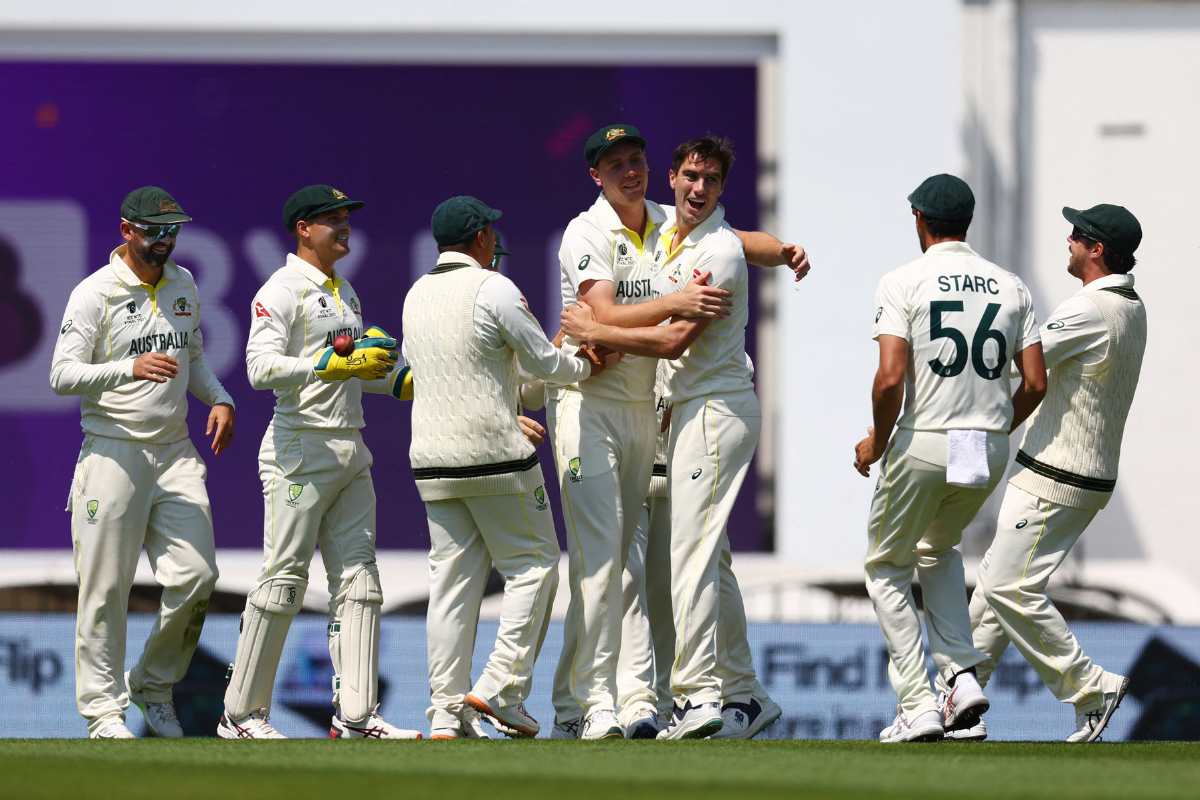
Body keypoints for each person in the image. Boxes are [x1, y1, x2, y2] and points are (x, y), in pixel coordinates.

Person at [550, 124, 808, 740]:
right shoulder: (640, 227)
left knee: (681, 557)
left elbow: (670, 331)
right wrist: (783, 252)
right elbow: (747, 244)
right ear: (599, 175)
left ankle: (691, 697)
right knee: (675, 559)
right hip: (636, 411)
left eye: (636, 159)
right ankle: (728, 696)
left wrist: (592, 329)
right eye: (618, 164)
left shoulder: (705, 243)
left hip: (705, 407)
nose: (630, 171)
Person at [402, 196, 608, 740]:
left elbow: (482, 373)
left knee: (451, 586)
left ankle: (446, 715)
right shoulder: (494, 287)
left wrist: (543, 374)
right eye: (491, 231)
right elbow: (543, 363)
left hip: (432, 464)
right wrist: (583, 364)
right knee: (536, 568)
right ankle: (500, 689)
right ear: (482, 239)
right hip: (496, 458)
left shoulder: (416, 293)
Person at [852, 174, 1047, 743]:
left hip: (924, 439)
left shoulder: (902, 281)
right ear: (968, 220)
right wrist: (989, 432)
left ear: (918, 218)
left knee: (886, 567)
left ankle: (917, 706)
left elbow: (889, 380)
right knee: (938, 549)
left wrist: (879, 443)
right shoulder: (1010, 285)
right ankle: (960, 680)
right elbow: (1033, 382)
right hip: (982, 445)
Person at [220, 185, 418, 739]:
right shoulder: (281, 289)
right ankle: (240, 715)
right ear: (303, 228)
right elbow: (260, 367)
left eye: (346, 217)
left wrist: (398, 380)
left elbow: (351, 367)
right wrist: (330, 366)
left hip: (350, 445)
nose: (344, 226)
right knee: (283, 582)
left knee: (360, 583)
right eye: (332, 219)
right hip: (299, 449)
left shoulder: (344, 292)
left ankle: (357, 717)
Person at [50, 186, 235, 739]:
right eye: (155, 231)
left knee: (199, 576)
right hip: (113, 452)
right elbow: (62, 375)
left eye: (172, 230)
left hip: (174, 451)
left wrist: (219, 397)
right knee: (106, 588)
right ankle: (104, 712)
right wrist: (126, 369)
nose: (165, 240)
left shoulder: (183, 282)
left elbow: (192, 354)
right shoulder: (94, 294)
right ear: (127, 230)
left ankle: (152, 683)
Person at [961, 204, 1145, 743]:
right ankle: (960, 706)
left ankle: (1091, 690)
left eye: (1079, 235)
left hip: (1056, 474)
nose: (1068, 239)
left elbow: (1021, 365)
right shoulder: (1129, 305)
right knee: (992, 594)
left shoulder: (1090, 308)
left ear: (1098, 251)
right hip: (1075, 474)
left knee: (1007, 587)